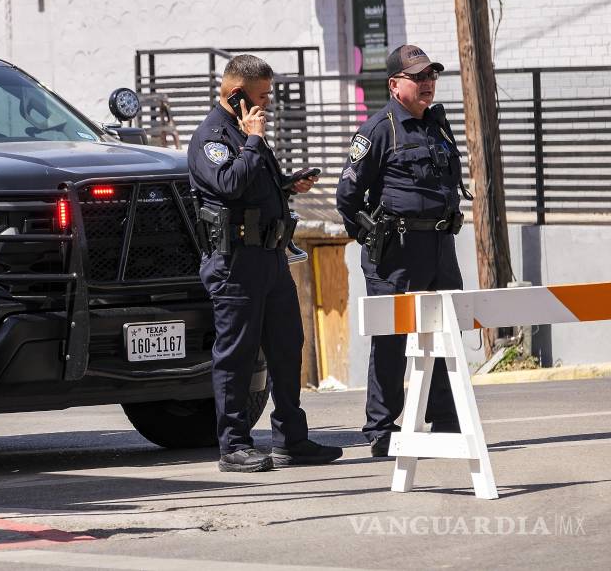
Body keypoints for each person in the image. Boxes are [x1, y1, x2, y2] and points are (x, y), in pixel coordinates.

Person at [188, 54, 343, 472]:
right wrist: (254, 140)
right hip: (235, 263)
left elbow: (255, 186)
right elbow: (229, 183)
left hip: (270, 258)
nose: (268, 104)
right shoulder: (211, 137)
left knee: (287, 346)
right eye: (262, 96)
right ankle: (234, 446)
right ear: (236, 94)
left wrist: (288, 185)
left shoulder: (245, 133)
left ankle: (291, 439)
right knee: (237, 355)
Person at [336, 44, 465, 459]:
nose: (427, 83)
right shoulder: (378, 129)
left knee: (445, 332)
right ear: (395, 85)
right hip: (397, 252)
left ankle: (444, 419)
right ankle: (382, 428)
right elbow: (347, 195)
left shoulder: (436, 125)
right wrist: (371, 237)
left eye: (431, 75)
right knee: (391, 339)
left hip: (439, 247)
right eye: (418, 76)